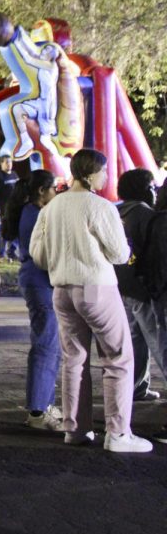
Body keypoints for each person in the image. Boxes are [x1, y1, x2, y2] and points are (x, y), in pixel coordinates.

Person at [31, 149, 151, 452]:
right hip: (96, 287)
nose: (107, 177)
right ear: (91, 174)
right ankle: (119, 432)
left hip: (62, 289)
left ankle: (75, 428)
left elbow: (39, 254)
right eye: (104, 171)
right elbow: (119, 254)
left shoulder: (51, 207)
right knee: (118, 358)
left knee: (74, 358)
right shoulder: (101, 207)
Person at [2, 169, 63, 431]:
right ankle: (38, 409)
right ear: (42, 191)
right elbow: (45, 253)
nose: (55, 194)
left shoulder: (29, 212)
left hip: (37, 280)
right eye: (53, 189)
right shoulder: (36, 215)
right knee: (46, 344)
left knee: (50, 343)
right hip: (41, 281)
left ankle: (44, 403)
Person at [114, 170, 166, 404]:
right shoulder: (146, 215)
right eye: (152, 187)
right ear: (143, 189)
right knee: (157, 340)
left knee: (134, 338)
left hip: (120, 284)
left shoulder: (116, 212)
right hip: (141, 288)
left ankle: (136, 386)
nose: (154, 192)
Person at [0, 155, 20, 260]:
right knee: (3, 230)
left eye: (10, 162)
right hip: (4, 209)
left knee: (17, 229)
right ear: (1, 164)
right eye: (6, 162)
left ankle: (11, 251)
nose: (9, 164)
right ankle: (1, 253)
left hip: (15, 208)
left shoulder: (14, 174)